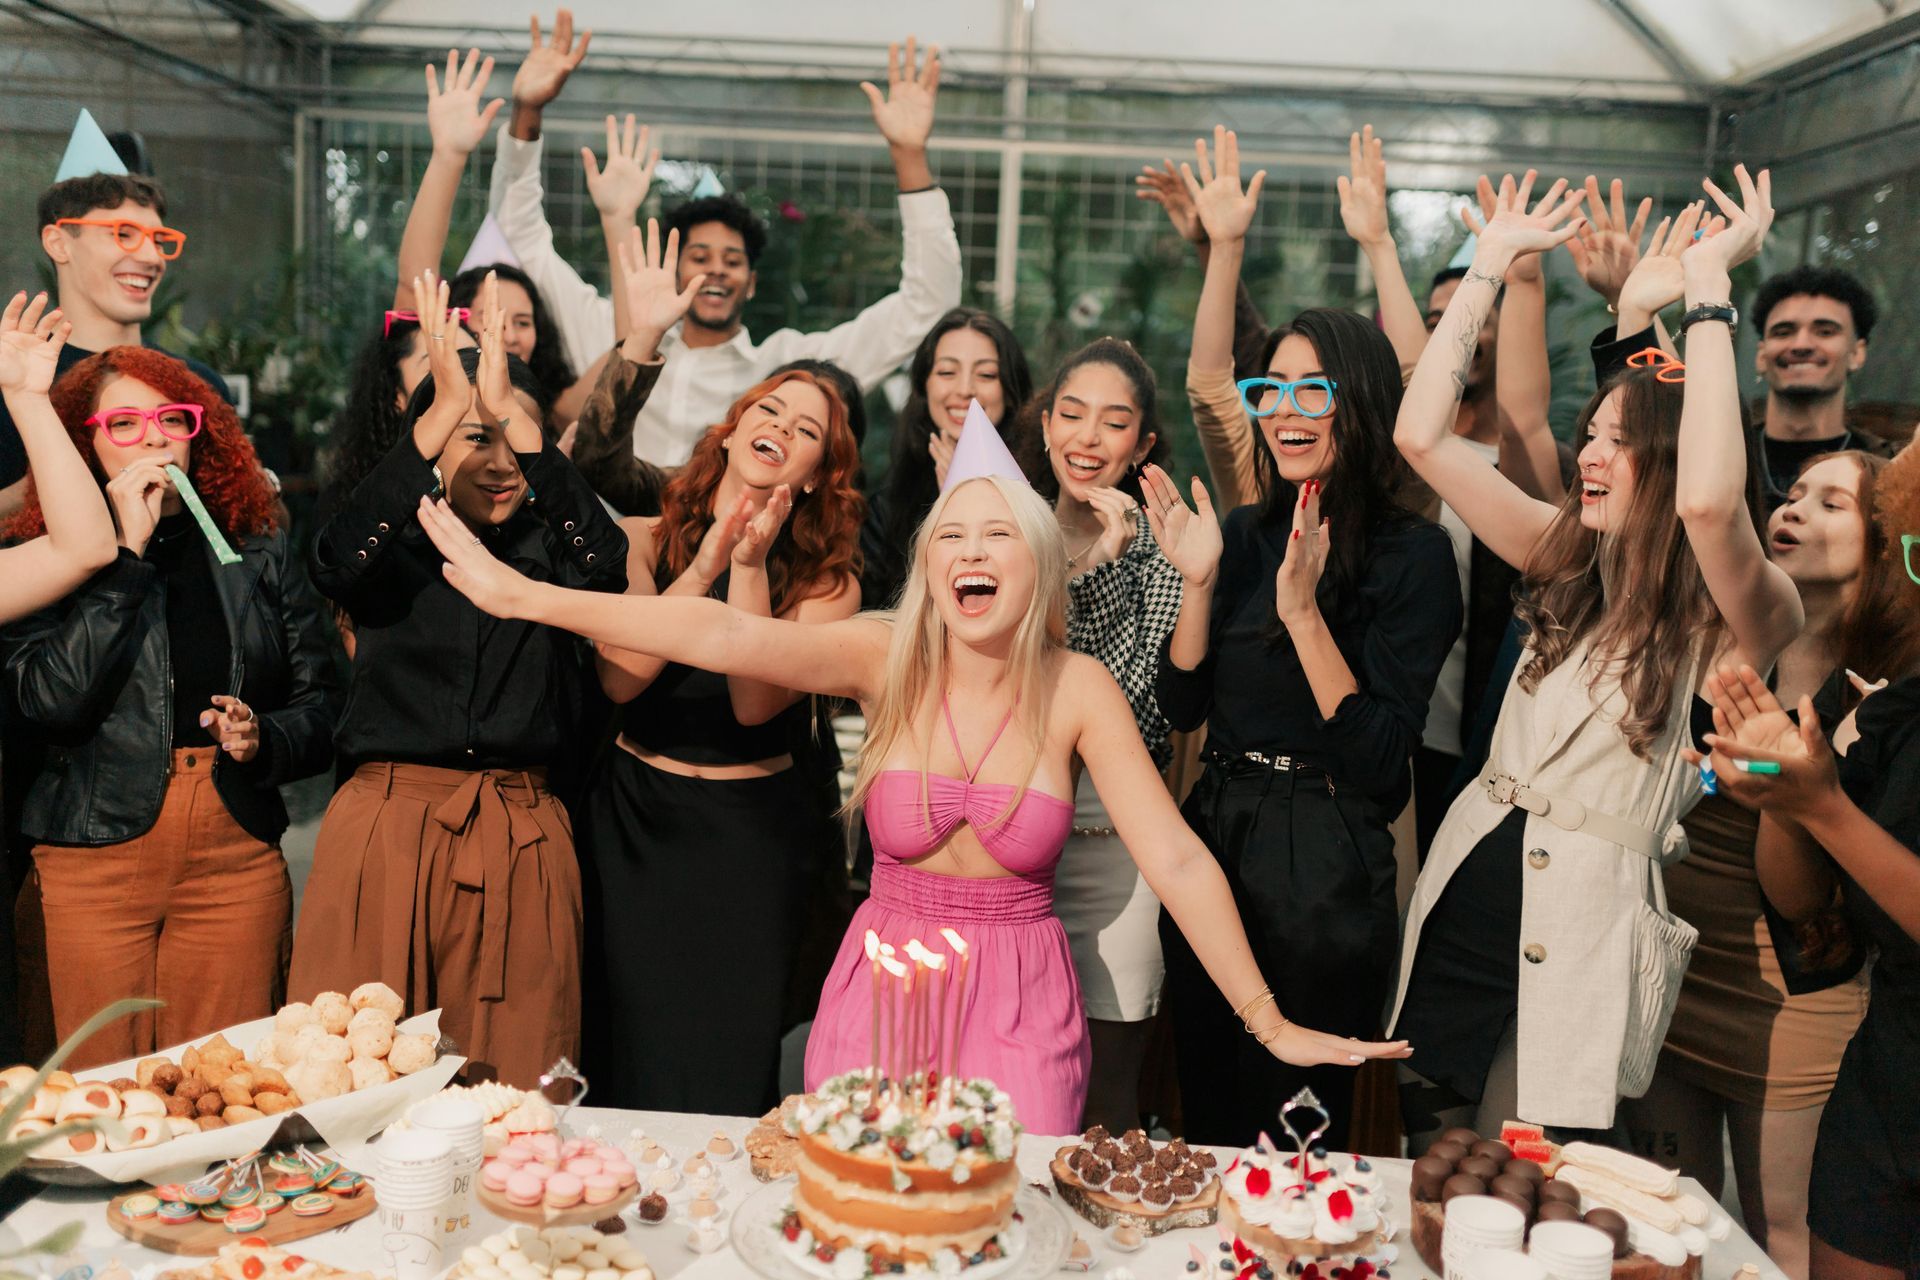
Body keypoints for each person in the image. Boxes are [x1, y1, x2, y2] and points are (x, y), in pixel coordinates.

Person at [413, 402, 1412, 1134]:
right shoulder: (884, 654)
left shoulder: (1079, 690)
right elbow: (713, 630)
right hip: (882, 984)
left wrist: (1266, 1016)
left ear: (1035, 561)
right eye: (953, 539)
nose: (971, 553)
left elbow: (1180, 861)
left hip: (1022, 997)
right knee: (862, 1217)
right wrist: (526, 596)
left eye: (995, 537)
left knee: (1002, 1227)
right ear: (931, 564)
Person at [1387, 166, 1806, 1143]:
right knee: (1431, 1161)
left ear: (1665, 461)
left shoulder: (1739, 610)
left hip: (1577, 931)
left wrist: (1706, 295)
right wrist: (1488, 267)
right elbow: (1420, 434)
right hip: (1468, 893)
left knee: (1518, 1179)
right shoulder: (1566, 552)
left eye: (1619, 442)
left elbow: (1706, 498)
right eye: (1590, 434)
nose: (1590, 454)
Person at [1144, 129, 1460, 1148]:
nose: (1283, 411)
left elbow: (1378, 763)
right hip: (1215, 827)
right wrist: (1197, 585)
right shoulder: (1239, 528)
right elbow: (1183, 704)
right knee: (1204, 1106)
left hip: (1327, 856)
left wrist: (1303, 613)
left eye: (1309, 390)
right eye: (1268, 389)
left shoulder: (1412, 555)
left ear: (1357, 406)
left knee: (1294, 1134)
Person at [289, 273, 625, 1088]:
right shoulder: (387, 545)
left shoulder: (554, 556)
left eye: (515, 438)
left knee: (519, 1085)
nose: (502, 461)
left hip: (520, 829)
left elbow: (609, 572)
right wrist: (440, 414)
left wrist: (520, 420)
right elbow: (333, 562)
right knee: (349, 1078)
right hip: (386, 825)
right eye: (477, 439)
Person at [576, 221, 863, 1112]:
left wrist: (748, 567)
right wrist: (702, 562)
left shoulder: (828, 581)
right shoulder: (646, 533)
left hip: (748, 836)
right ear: (732, 430)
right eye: (766, 410)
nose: (780, 426)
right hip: (632, 822)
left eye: (805, 427)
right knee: (617, 1049)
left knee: (725, 1057)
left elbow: (753, 703)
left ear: (817, 472)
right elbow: (622, 681)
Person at [2, 340, 338, 1069]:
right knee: (95, 1097)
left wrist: (265, 738)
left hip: (234, 851)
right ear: (81, 444)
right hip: (91, 851)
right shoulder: (42, 552)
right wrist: (123, 556)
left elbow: (327, 703)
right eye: (123, 424)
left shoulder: (255, 542)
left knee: (226, 1091)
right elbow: (48, 702)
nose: (153, 437)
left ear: (201, 432)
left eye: (172, 419)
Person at [487, 12, 962, 468]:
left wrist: (909, 154)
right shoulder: (608, 328)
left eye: (732, 260)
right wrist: (527, 112)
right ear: (673, 274)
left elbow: (927, 304)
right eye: (699, 256)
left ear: (751, 283)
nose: (716, 268)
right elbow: (519, 233)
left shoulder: (784, 373)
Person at [1691, 532, 1920, 1280]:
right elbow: (1804, 906)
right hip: (1889, 1078)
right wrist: (1782, 798)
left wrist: (1822, 808)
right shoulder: (1902, 711)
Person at [1007, 337, 1179, 1132]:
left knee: (1110, 1090)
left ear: (1143, 444)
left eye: (1113, 423)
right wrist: (1084, 567)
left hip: (1118, 852)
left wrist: (1112, 561)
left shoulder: (1162, 550)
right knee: (1010, 1073)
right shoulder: (1007, 531)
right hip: (1007, 847)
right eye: (1071, 415)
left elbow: (1141, 709)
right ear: (1044, 427)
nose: (1087, 437)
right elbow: (1003, 680)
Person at [0, 174, 235, 518]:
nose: (151, 257)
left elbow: (256, 523)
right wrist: (52, 480)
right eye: (123, 235)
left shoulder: (198, 383)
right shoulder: (14, 382)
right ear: (58, 243)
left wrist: (251, 482)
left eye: (158, 240)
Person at [391, 48, 579, 428]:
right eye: (489, 319)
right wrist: (449, 155)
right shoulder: (428, 412)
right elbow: (416, 283)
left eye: (523, 322)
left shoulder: (549, 415)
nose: (506, 335)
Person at [861, 309, 1032, 611]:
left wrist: (969, 491)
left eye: (987, 375)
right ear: (923, 386)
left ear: (1010, 390)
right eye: (947, 372)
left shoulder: (1039, 493)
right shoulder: (887, 506)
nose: (965, 390)